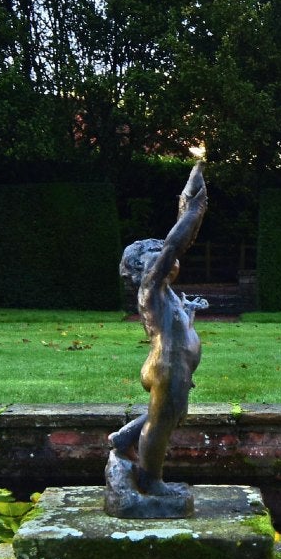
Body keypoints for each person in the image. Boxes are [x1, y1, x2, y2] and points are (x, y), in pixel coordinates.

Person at [107, 163, 209, 513]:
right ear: (139, 269)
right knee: (162, 421)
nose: (163, 252)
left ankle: (125, 437)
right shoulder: (150, 289)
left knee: (171, 413)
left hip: (175, 365)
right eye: (153, 250)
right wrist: (193, 209)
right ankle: (151, 480)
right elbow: (173, 244)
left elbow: (180, 326)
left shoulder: (168, 295)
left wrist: (191, 311)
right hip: (166, 366)